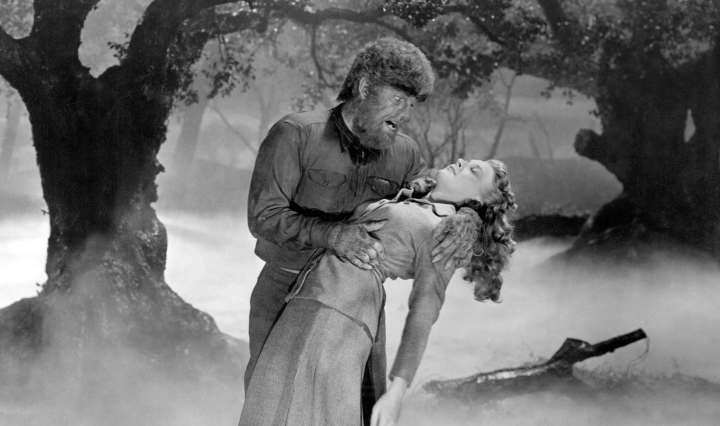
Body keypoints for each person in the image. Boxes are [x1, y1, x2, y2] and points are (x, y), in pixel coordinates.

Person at [245, 37, 482, 420]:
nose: (405, 113)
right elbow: (263, 216)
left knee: (361, 411)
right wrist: (333, 235)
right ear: (365, 86)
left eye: (412, 104)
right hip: (282, 290)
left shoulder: (405, 153)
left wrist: (470, 219)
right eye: (399, 99)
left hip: (361, 302)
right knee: (272, 409)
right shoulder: (296, 133)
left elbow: (435, 202)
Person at [239, 158, 517, 426]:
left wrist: (397, 390)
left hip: (340, 315)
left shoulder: (449, 231)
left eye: (474, 171)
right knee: (271, 403)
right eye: (466, 161)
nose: (461, 162)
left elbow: (424, 310)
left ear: (478, 201)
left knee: (311, 408)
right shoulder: (414, 198)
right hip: (308, 298)